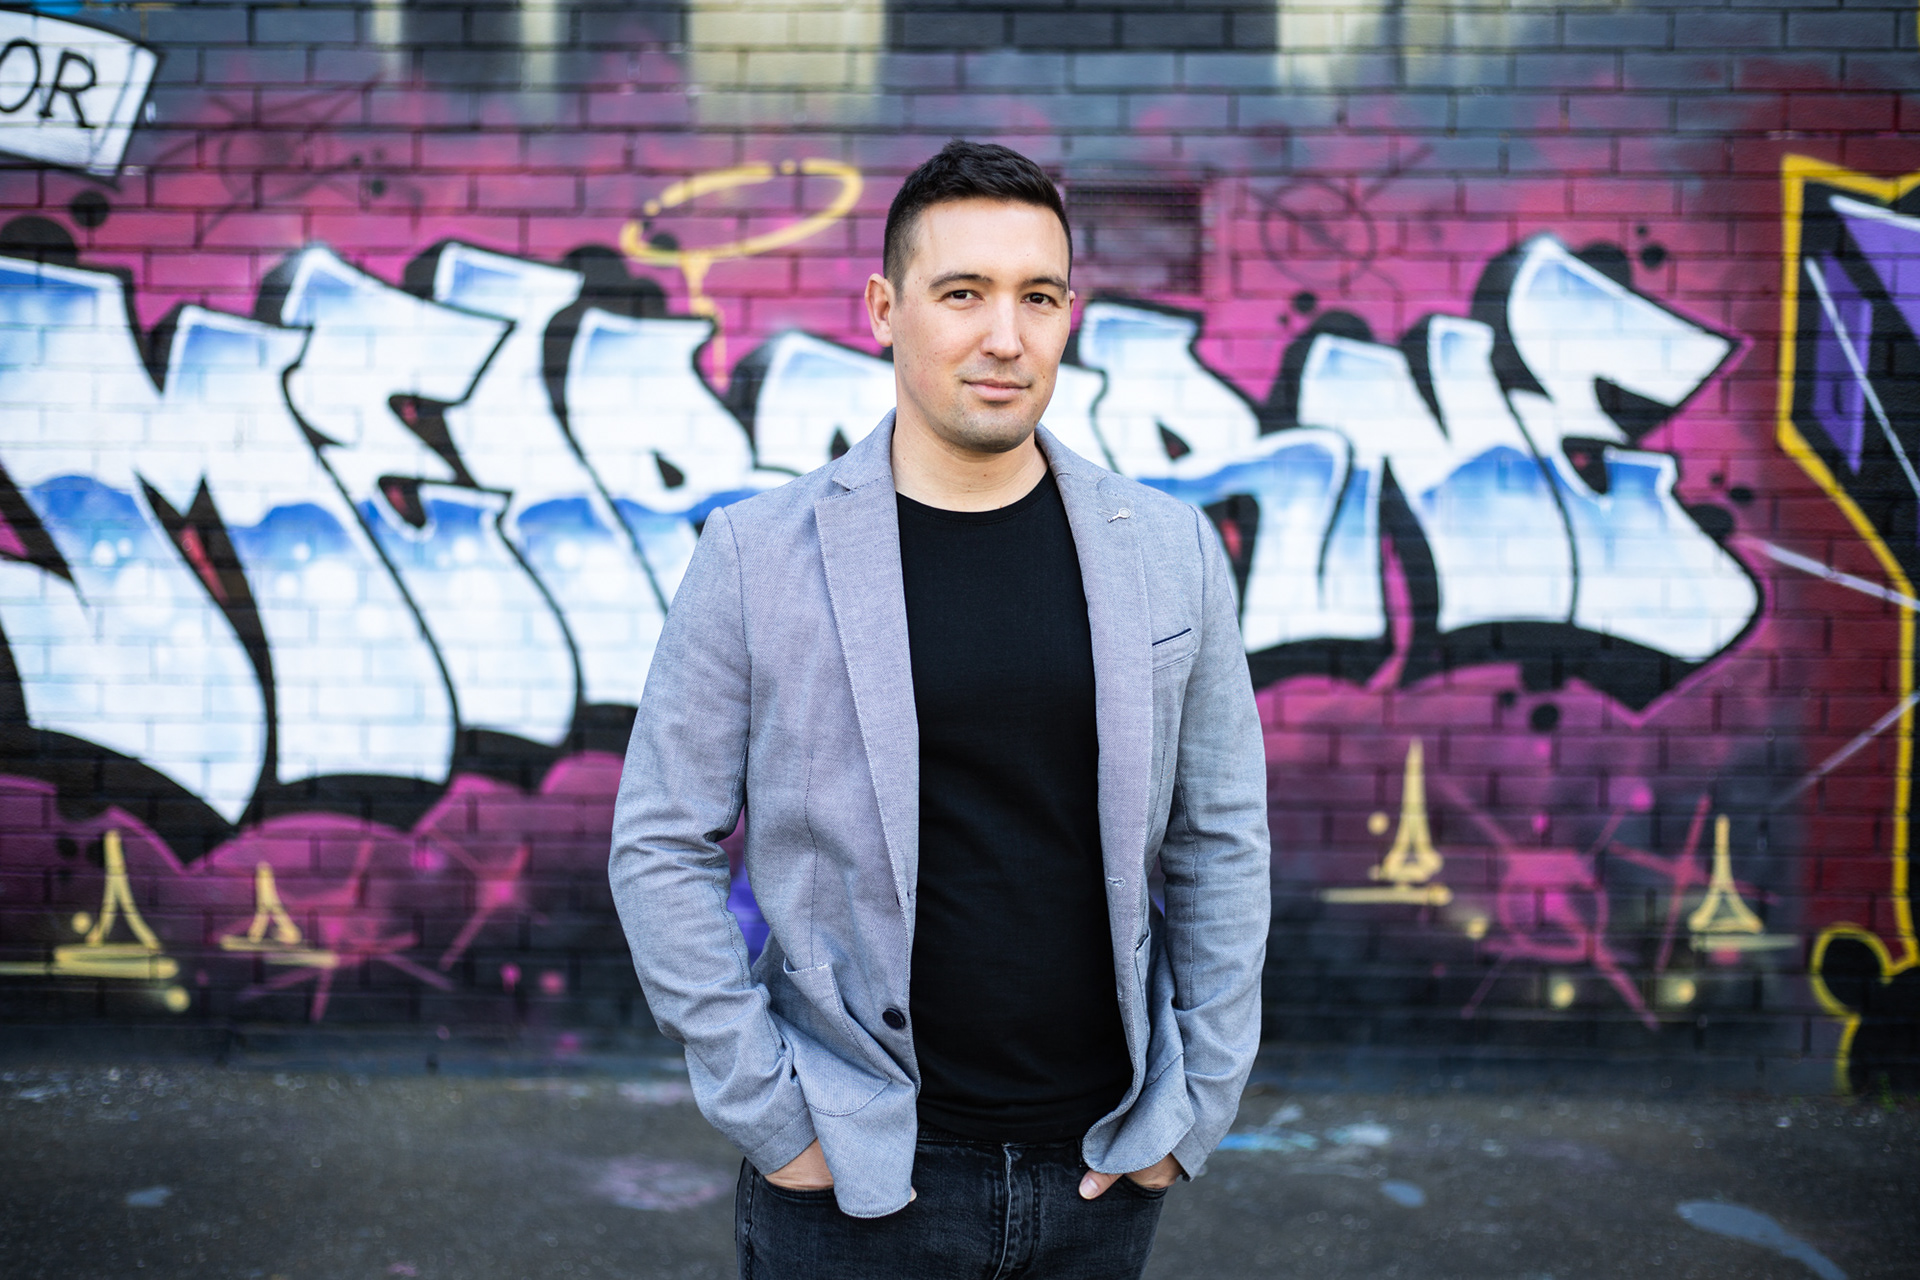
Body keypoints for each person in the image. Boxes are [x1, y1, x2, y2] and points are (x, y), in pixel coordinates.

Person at [609, 140, 1271, 1279]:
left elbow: (1222, 839)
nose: (1005, 335)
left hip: (1099, 1169)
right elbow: (659, 840)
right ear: (884, 309)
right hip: (853, 1176)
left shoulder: (1167, 551)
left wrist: (1195, 1101)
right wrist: (773, 1115)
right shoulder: (757, 555)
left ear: (1070, 316)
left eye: (1039, 296)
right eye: (963, 293)